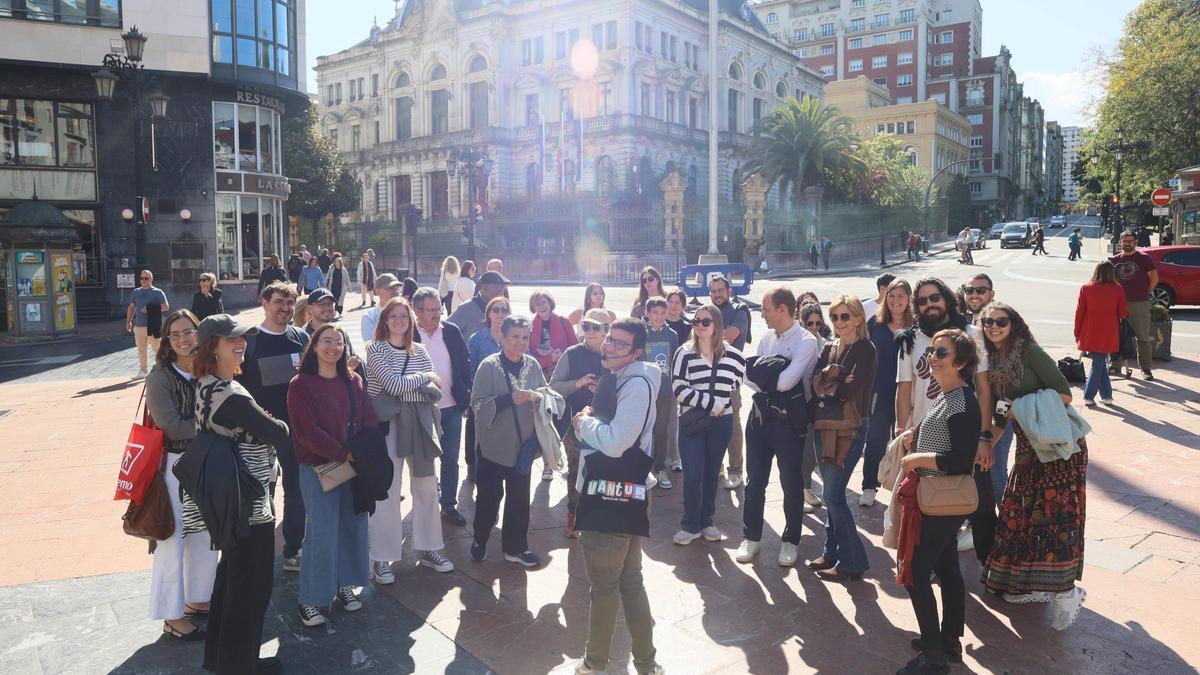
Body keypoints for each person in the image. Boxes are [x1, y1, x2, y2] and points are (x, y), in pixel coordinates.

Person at [978, 303, 1089, 630]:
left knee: (1057, 519)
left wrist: (1020, 406)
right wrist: (987, 445)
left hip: (1058, 448)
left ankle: (1067, 593)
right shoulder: (992, 362)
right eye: (988, 322)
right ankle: (1028, 583)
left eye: (1001, 321)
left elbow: (1064, 394)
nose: (994, 326)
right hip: (1028, 450)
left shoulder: (1030, 353)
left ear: (1014, 325)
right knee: (1021, 515)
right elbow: (1000, 414)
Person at [192, 314, 290, 675]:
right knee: (251, 587)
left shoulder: (205, 384)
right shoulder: (228, 394)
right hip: (249, 502)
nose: (241, 344)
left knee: (231, 581)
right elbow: (278, 431)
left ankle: (223, 661)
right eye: (231, 340)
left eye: (242, 338)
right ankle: (241, 667)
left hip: (229, 499)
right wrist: (270, 418)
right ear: (211, 348)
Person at [571, 318, 664, 675]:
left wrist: (583, 424)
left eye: (619, 344)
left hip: (610, 494)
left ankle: (594, 664)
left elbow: (615, 442)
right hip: (625, 492)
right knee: (628, 581)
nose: (608, 346)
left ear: (636, 352)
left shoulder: (636, 384)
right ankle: (646, 662)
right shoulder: (623, 376)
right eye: (609, 338)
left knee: (606, 586)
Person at [895, 328, 981, 675]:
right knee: (947, 568)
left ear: (960, 363)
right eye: (932, 350)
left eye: (941, 353)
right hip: (937, 500)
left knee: (916, 572)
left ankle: (934, 655)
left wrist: (916, 460)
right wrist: (917, 441)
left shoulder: (961, 400)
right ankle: (948, 641)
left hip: (943, 500)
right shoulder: (949, 396)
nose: (933, 356)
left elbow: (959, 460)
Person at [896, 278, 996, 558]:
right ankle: (937, 562)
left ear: (948, 300)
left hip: (964, 430)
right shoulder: (909, 339)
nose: (930, 304)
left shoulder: (971, 334)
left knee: (981, 503)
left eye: (935, 298)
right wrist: (901, 429)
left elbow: (984, 388)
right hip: (925, 434)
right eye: (923, 301)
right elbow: (904, 388)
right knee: (929, 503)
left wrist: (984, 436)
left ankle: (990, 566)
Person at [287, 324, 376, 627]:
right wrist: (343, 452)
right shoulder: (300, 384)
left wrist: (361, 452)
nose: (333, 347)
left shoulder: (353, 382)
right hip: (318, 468)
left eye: (339, 342)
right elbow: (305, 430)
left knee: (352, 527)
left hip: (352, 467)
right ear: (314, 346)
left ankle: (345, 585)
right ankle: (311, 599)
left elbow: (367, 419)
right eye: (326, 341)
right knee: (322, 533)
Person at [366, 298, 455, 582]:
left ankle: (430, 548)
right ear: (384, 320)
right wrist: (423, 377)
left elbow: (435, 389)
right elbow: (391, 385)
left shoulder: (420, 350)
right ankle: (381, 557)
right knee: (388, 492)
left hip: (419, 423)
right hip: (388, 427)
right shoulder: (376, 349)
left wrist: (416, 384)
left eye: (403, 315)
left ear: (410, 319)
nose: (398, 320)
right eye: (392, 316)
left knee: (427, 488)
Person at [145, 309, 216, 642]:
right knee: (172, 541)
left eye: (190, 331)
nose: (186, 339)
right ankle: (171, 616)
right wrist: (213, 426)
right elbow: (171, 425)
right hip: (175, 466)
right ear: (167, 342)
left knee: (204, 535)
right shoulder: (160, 377)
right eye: (176, 334)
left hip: (207, 463)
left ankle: (198, 598)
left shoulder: (208, 369)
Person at [736, 287, 819, 566]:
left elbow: (787, 382)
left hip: (789, 424)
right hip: (759, 419)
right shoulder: (767, 337)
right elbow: (747, 377)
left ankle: (790, 540)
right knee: (754, 482)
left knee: (791, 483)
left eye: (766, 309)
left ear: (783, 309)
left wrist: (765, 373)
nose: (762, 315)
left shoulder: (806, 342)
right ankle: (752, 538)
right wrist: (774, 370)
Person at [236, 282, 309, 572]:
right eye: (279, 302)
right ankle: (260, 551)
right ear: (264, 303)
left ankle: (293, 549)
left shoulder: (301, 338)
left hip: (293, 431)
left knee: (296, 490)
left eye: (290, 303)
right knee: (260, 492)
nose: (285, 308)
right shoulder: (248, 341)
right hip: (257, 434)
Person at [806, 295, 876, 581]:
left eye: (845, 316)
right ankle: (831, 551)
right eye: (834, 317)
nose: (838, 322)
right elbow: (815, 381)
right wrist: (834, 378)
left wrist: (829, 381)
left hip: (852, 426)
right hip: (824, 425)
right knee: (830, 494)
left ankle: (853, 561)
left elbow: (849, 390)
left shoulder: (865, 349)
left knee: (833, 495)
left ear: (859, 318)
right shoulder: (830, 347)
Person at [470, 315, 548, 567]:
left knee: (519, 501)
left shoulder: (534, 365)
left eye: (525, 337)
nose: (520, 342)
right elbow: (477, 404)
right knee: (489, 500)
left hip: (523, 448)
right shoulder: (489, 366)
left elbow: (545, 394)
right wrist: (508, 399)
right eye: (514, 336)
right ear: (501, 337)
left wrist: (542, 399)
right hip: (494, 449)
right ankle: (480, 539)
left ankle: (516, 548)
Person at [671, 303, 746, 545]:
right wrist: (710, 403)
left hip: (722, 422)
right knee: (692, 473)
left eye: (706, 321)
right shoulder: (684, 353)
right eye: (696, 321)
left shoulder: (734, 356)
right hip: (693, 421)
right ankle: (690, 523)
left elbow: (737, 382)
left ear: (717, 325)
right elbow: (679, 389)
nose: (700, 326)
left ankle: (707, 520)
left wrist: (719, 405)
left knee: (712, 472)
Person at [411, 287, 472, 527]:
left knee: (450, 459)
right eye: (432, 310)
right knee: (423, 461)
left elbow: (464, 363)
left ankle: (448, 505)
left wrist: (464, 396)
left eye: (439, 308)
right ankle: (424, 507)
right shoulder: (408, 334)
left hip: (451, 407)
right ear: (417, 310)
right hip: (421, 410)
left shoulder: (452, 331)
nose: (438, 313)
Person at [549, 308, 608, 538]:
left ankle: (597, 515)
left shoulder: (613, 353)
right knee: (576, 469)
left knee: (602, 468)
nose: (590, 331)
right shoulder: (572, 353)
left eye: (596, 327)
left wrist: (602, 385)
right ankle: (573, 517)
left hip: (606, 422)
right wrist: (579, 383)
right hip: (574, 423)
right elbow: (553, 386)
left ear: (606, 331)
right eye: (586, 327)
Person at [961, 274, 1014, 501]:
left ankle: (1008, 530)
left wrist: (999, 424)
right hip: (973, 414)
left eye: (980, 290)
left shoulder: (998, 325)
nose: (974, 295)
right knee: (976, 475)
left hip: (997, 415)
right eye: (969, 290)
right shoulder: (968, 327)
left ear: (991, 294)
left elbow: (1010, 385)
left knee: (996, 475)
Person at [860, 279, 913, 508]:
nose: (896, 301)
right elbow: (862, 354)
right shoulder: (875, 324)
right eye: (892, 295)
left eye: (901, 296)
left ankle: (906, 487)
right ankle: (869, 486)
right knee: (875, 440)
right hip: (879, 392)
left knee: (908, 440)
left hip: (908, 392)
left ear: (909, 298)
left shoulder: (916, 326)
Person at [708, 275, 750, 490]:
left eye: (720, 290)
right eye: (713, 291)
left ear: (729, 291)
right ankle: (718, 467)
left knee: (732, 425)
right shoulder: (708, 311)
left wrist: (705, 337)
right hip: (706, 378)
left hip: (730, 378)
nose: (717, 294)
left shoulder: (739, 310)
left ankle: (736, 471)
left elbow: (729, 336)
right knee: (712, 424)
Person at [466, 296, 512, 482]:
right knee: (476, 434)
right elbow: (470, 371)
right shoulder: (476, 339)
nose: (500, 313)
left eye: (504, 310)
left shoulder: (513, 337)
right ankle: (472, 466)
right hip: (483, 396)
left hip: (508, 396)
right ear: (489, 314)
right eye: (496, 310)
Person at [1075, 261, 1128, 405]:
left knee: (1098, 363)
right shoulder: (1118, 289)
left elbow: (1079, 312)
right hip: (1109, 331)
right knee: (1099, 363)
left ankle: (1091, 395)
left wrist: (1077, 332)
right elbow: (1123, 313)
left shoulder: (1086, 288)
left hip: (1089, 330)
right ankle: (1104, 395)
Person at [642, 297, 681, 488]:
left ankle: (660, 467)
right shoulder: (641, 333)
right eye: (654, 313)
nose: (659, 317)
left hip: (665, 390)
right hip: (644, 390)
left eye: (662, 313)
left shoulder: (672, 335)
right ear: (647, 313)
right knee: (642, 430)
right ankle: (642, 468)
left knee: (661, 431)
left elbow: (675, 362)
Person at [1108, 230, 1158, 380]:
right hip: (1118, 304)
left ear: (1135, 242)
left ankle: (1146, 369)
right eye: (1124, 241)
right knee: (1116, 335)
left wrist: (1144, 293)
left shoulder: (1144, 258)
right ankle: (1115, 365)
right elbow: (1110, 281)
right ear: (1120, 242)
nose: (1127, 244)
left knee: (1142, 337)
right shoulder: (1114, 260)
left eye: (1130, 241)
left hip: (1139, 303)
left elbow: (1154, 279)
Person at [797, 301, 829, 510]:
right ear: (802, 322)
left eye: (818, 322)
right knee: (802, 450)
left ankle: (806, 489)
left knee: (816, 450)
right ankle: (801, 491)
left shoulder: (826, 343)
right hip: (801, 403)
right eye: (810, 323)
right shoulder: (799, 342)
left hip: (820, 404)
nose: (814, 327)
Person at [126, 269, 170, 378]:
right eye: (141, 278)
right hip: (139, 325)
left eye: (146, 278)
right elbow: (131, 307)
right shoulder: (136, 292)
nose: (144, 280)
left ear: (151, 279)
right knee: (141, 349)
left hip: (153, 325)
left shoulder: (158, 292)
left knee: (157, 349)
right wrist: (128, 321)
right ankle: (143, 371)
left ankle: (162, 369)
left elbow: (166, 307)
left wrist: (150, 309)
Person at [529, 290, 576, 384]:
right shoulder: (529, 327)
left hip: (563, 374)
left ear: (550, 303)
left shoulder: (564, 321)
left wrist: (561, 354)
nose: (541, 306)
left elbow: (575, 348)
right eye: (536, 304)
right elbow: (528, 358)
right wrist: (550, 359)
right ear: (533, 308)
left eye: (543, 302)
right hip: (539, 376)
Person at [448, 270, 511, 340]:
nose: (502, 291)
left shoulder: (503, 309)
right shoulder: (467, 308)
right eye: (498, 288)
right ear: (485, 288)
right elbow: (446, 330)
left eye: (504, 287)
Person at [361, 273, 403, 343]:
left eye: (396, 288)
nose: (395, 292)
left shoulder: (407, 314)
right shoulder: (369, 318)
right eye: (390, 288)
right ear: (377, 291)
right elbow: (371, 346)